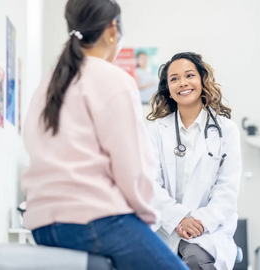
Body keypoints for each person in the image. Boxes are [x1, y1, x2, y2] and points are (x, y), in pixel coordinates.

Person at [21, 1, 188, 269]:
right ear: (112, 29)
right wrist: (146, 222)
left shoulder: (49, 83)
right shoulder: (114, 79)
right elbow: (132, 169)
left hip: (42, 226)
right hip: (96, 221)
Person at [146, 52, 242, 270]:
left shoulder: (226, 130)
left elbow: (227, 189)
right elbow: (149, 184)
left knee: (196, 260)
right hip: (165, 227)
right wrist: (178, 220)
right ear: (168, 89)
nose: (183, 83)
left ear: (202, 80)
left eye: (189, 75)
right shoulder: (155, 131)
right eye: (174, 79)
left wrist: (198, 223)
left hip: (208, 231)